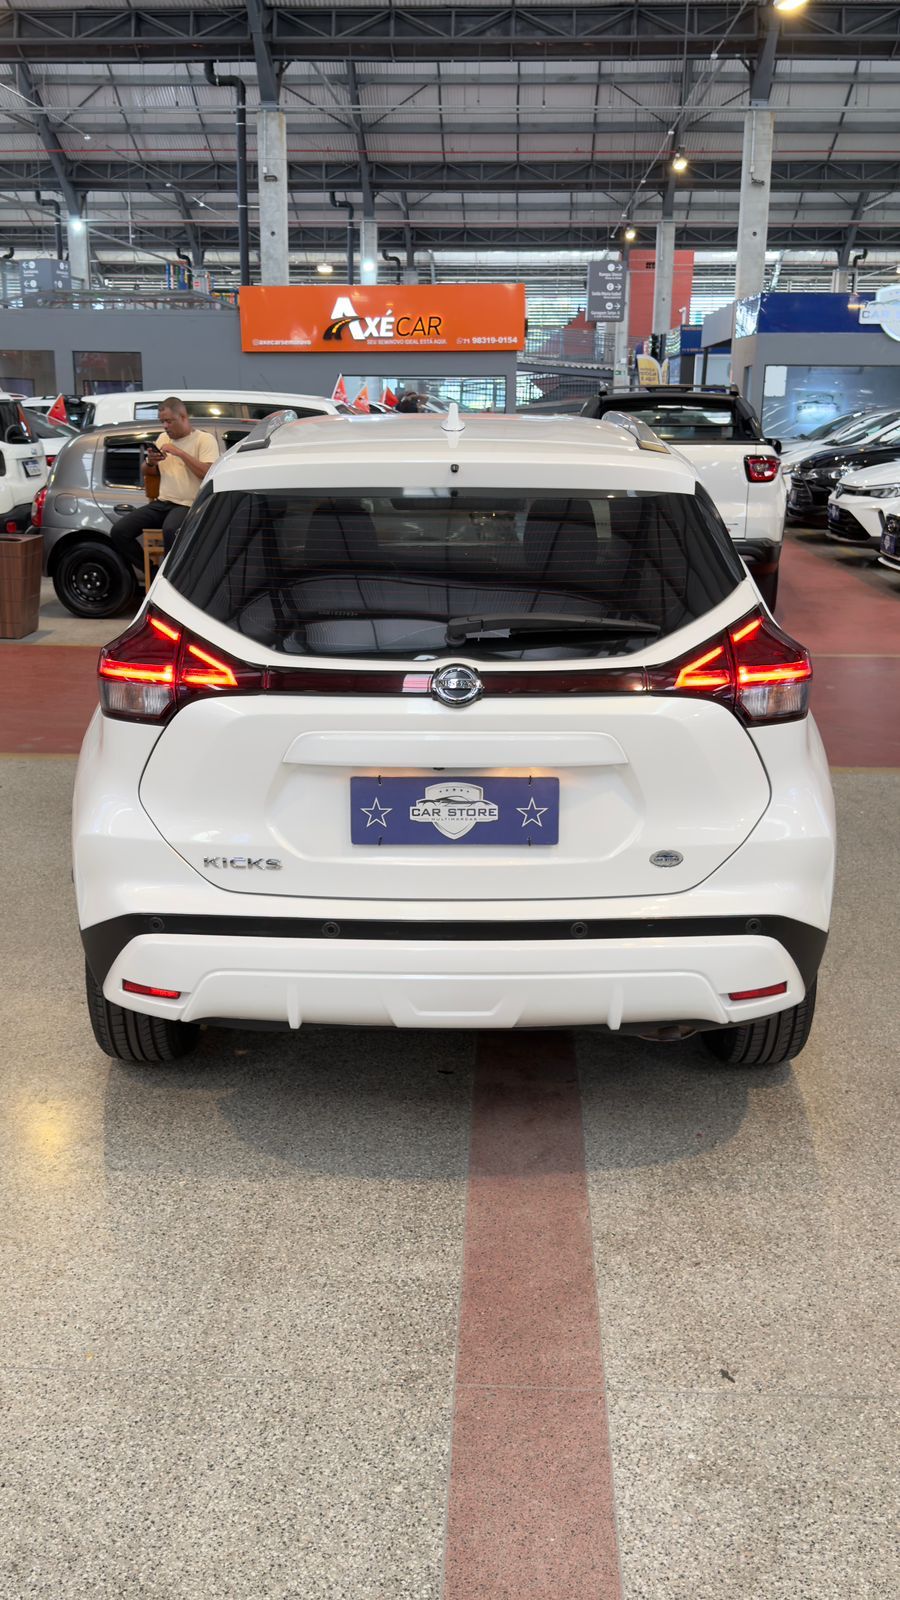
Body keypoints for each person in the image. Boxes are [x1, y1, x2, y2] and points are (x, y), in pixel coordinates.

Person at [109, 396, 220, 572]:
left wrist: (180, 453)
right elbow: (148, 471)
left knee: (170, 530)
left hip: (188, 504)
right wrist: (151, 462)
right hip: (162, 503)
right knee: (119, 531)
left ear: (183, 417)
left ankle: (171, 577)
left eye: (169, 421)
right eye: (162, 422)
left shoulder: (204, 439)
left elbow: (207, 473)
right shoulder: (162, 438)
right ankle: (153, 574)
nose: (165, 426)